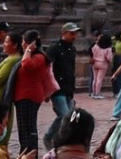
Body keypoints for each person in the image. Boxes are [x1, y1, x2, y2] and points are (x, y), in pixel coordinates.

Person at [42, 22, 81, 151]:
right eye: (72, 33)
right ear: (64, 33)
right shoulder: (54, 48)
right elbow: (47, 69)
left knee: (71, 117)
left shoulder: (72, 49)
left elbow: (71, 69)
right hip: (57, 88)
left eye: (75, 33)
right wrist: (46, 90)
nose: (74, 36)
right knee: (64, 115)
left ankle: (62, 141)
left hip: (68, 87)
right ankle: (48, 136)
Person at [13, 30, 49, 155]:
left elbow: (26, 65)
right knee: (24, 128)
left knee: (27, 127)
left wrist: (28, 50)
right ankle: (25, 151)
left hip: (29, 96)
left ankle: (29, 152)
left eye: (24, 41)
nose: (22, 44)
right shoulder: (32, 56)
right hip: (23, 96)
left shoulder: (39, 57)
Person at [91, 34, 114, 99]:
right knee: (99, 79)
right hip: (103, 63)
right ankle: (97, 93)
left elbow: (92, 52)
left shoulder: (96, 46)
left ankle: (94, 93)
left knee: (95, 79)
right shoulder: (108, 48)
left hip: (95, 62)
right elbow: (109, 58)